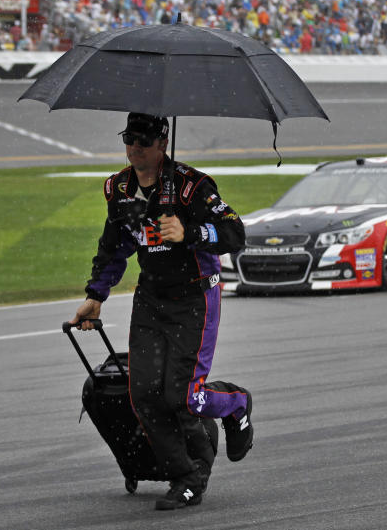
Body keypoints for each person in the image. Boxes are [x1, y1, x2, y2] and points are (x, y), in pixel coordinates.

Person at [69, 112, 254, 511]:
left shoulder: (193, 187)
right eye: (128, 138)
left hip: (196, 299)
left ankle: (235, 403)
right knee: (145, 395)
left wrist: (191, 233)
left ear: (162, 143)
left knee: (184, 397)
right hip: (151, 300)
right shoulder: (117, 189)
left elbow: (236, 232)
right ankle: (184, 477)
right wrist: (95, 295)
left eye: (144, 140)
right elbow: (114, 246)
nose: (135, 147)